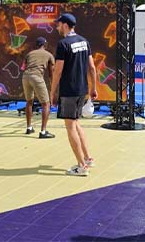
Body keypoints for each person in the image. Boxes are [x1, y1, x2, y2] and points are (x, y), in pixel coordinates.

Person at [50, 13, 97, 176]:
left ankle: (81, 166)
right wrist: (93, 88)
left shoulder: (63, 44)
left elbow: (58, 71)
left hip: (69, 90)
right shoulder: (85, 42)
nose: (56, 27)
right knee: (76, 123)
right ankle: (88, 158)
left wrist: (52, 92)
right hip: (82, 89)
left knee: (70, 127)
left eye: (58, 24)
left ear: (64, 25)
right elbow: (92, 67)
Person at [22, 36, 56, 138]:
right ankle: (43, 132)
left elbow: (23, 67)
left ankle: (29, 128)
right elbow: (51, 73)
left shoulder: (29, 54)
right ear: (45, 45)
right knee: (46, 104)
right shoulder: (49, 55)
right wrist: (53, 87)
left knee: (29, 102)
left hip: (25, 77)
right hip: (37, 77)